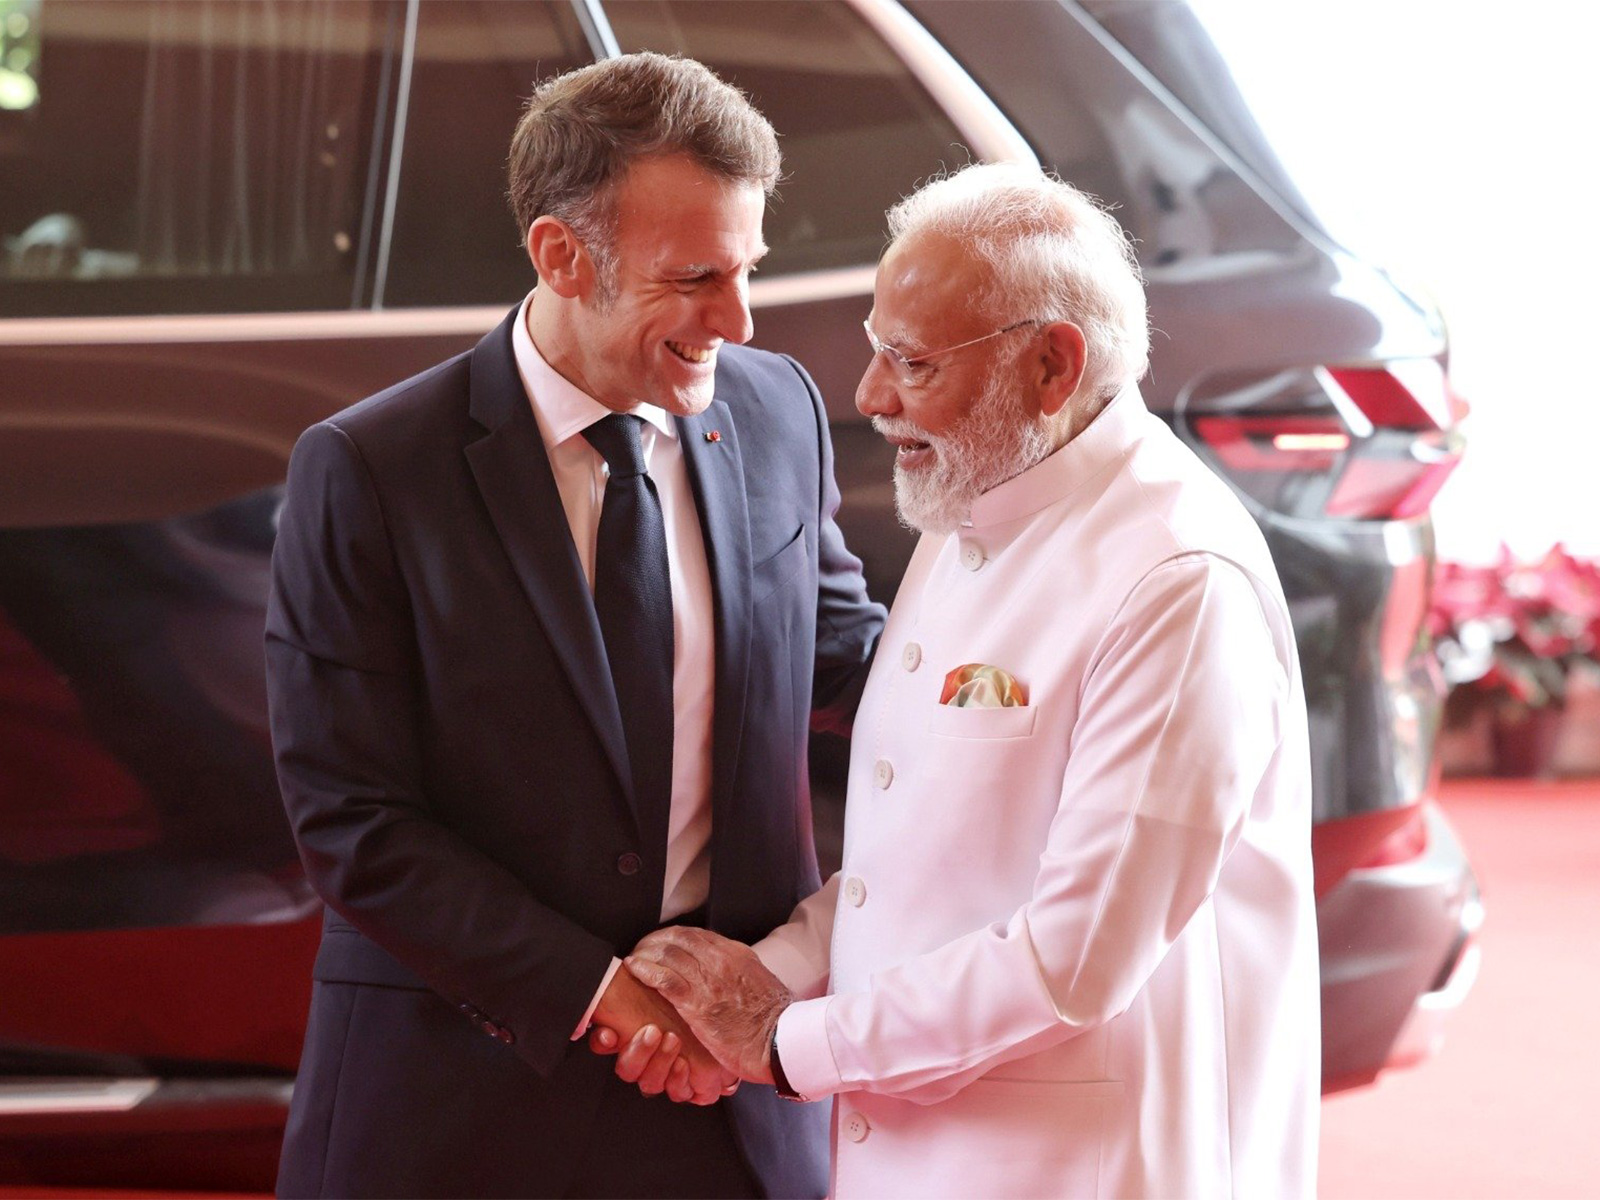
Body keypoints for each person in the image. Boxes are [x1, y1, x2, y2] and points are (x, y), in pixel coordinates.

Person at [619, 163, 1321, 1198]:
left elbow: (1072, 958)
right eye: (874, 351)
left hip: (1084, 1162)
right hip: (921, 1144)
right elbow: (916, 866)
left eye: (912, 363)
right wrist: (770, 970)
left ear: (1051, 365)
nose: (868, 399)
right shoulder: (983, 486)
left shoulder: (1175, 578)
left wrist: (784, 1041)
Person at [264, 53, 884, 1199]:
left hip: (730, 1099)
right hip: (456, 1102)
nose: (736, 321)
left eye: (747, 270)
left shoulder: (777, 411)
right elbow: (351, 817)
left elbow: (846, 654)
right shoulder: (370, 469)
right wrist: (601, 995)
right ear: (560, 254)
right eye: (695, 276)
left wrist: (1034, 670)